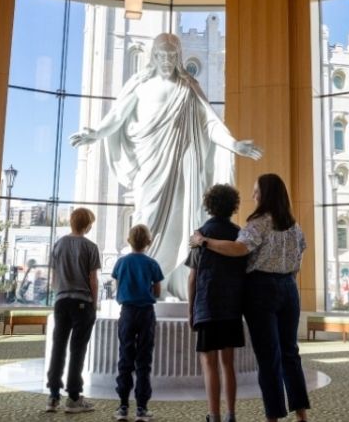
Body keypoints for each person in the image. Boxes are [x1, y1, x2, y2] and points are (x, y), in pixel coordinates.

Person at [70, 33, 262, 299]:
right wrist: (95, 134)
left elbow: (210, 122)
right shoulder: (140, 85)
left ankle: (170, 283)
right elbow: (116, 117)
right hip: (150, 165)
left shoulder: (188, 87)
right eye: (162, 55)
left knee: (180, 223)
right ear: (154, 56)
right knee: (146, 216)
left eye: (172, 55)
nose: (167, 60)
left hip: (183, 168)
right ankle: (146, 284)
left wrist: (233, 144)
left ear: (178, 57)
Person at [190, 173, 310, 422]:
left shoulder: (258, 223)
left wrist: (204, 241)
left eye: (256, 190)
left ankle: (273, 417)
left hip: (262, 291)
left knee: (268, 357)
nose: (253, 195)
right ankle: (301, 414)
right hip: (289, 289)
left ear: (265, 194)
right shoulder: (293, 225)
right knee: (290, 352)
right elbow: (300, 257)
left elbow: (238, 249)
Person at [186, 184, 245, 422]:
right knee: (228, 363)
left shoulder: (199, 234)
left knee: (209, 363)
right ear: (233, 206)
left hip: (207, 305)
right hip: (232, 306)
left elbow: (192, 276)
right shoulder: (239, 233)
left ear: (209, 205)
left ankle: (214, 415)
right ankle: (231, 414)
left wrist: (191, 310)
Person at [45, 208, 101, 414]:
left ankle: (53, 397)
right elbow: (92, 280)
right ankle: (74, 397)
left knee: (58, 346)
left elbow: (53, 277)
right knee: (77, 349)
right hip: (82, 303)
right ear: (87, 225)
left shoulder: (58, 244)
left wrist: (59, 293)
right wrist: (94, 305)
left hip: (61, 301)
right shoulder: (90, 247)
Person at [111, 225, 164, 422]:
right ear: (148, 242)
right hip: (146, 314)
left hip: (126, 312)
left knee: (125, 357)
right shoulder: (152, 264)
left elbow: (118, 287)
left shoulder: (121, 263)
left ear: (129, 240)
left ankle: (123, 406)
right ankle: (141, 408)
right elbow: (158, 292)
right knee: (143, 359)